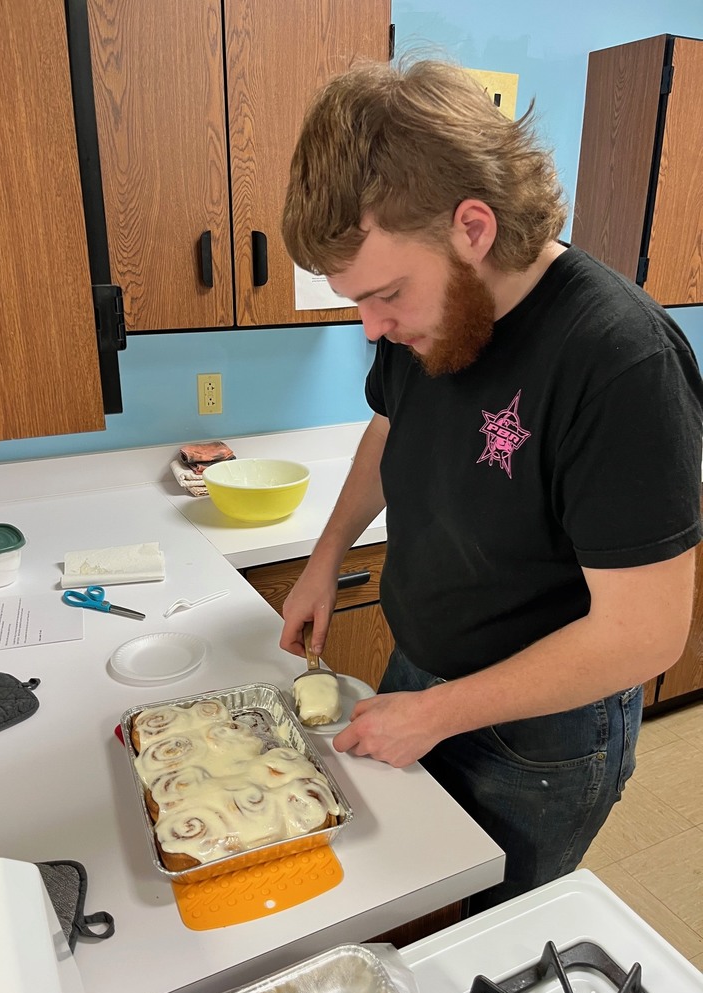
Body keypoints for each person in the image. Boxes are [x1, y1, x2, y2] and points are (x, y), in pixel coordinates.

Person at [278, 58, 703, 912]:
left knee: (489, 935)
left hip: (544, 736)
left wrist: (439, 715)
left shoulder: (620, 360)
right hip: (420, 669)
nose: (373, 327)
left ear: (473, 226)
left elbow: (647, 637)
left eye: (386, 294)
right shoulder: (428, 320)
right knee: (403, 901)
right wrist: (325, 557)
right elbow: (390, 426)